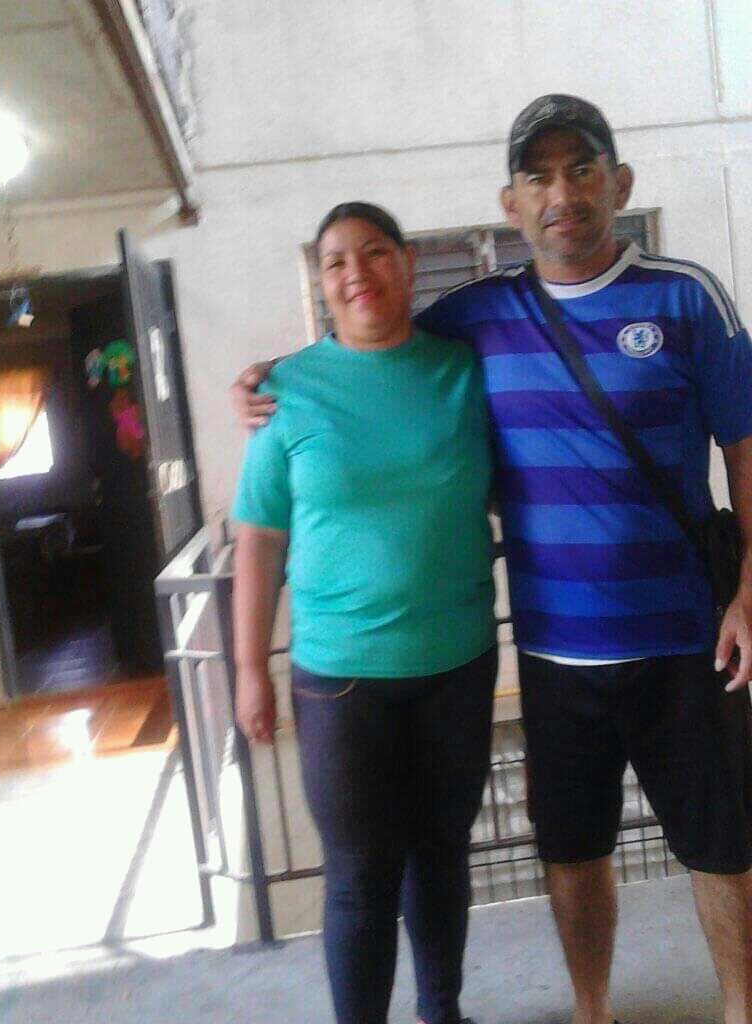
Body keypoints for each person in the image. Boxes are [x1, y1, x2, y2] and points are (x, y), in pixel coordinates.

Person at [234, 97, 752, 1024]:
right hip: (552, 653)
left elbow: (747, 449)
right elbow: (370, 338)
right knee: (572, 852)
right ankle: (591, 1013)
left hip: (688, 636)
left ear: (619, 183)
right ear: (511, 204)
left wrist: (749, 592)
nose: (563, 194)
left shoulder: (687, 296)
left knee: (723, 847)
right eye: (538, 177)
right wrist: (276, 375)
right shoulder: (478, 315)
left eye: (582, 169)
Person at [232, 201, 498, 1024]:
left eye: (375, 252)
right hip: (341, 678)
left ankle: (441, 1011)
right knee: (359, 877)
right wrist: (248, 669)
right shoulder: (283, 394)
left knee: (442, 854)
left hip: (458, 661)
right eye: (337, 261)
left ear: (408, 262)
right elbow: (259, 540)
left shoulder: (465, 371)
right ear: (321, 281)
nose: (357, 273)